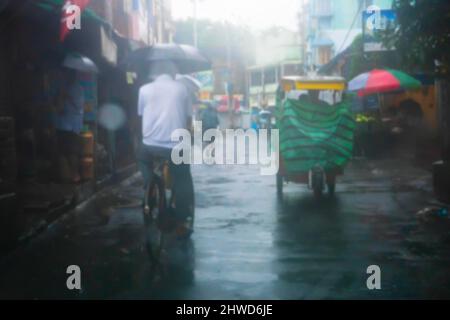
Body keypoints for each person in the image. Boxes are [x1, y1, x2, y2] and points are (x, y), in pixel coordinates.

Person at [137, 61, 195, 237]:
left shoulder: (144, 89)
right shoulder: (182, 89)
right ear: (172, 73)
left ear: (154, 74)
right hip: (175, 146)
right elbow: (188, 120)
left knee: (142, 158)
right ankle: (183, 219)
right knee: (183, 178)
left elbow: (141, 115)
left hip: (150, 145)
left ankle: (150, 188)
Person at [54, 68, 84, 183]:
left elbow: (78, 106)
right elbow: (57, 105)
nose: (66, 77)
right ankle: (65, 175)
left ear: (73, 76)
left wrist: (67, 96)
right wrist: (60, 96)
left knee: (72, 152)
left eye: (68, 75)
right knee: (62, 152)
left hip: (72, 126)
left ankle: (75, 175)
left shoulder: (78, 89)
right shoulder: (63, 87)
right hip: (62, 124)